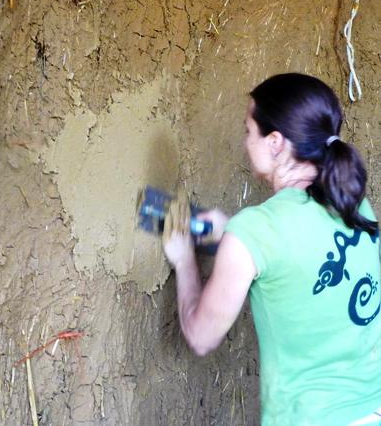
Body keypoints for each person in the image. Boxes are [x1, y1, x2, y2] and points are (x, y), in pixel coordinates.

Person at [162, 73, 381, 426]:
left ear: (276, 142)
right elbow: (298, 249)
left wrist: (185, 259)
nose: (246, 141)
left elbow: (201, 338)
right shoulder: (356, 205)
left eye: (249, 132)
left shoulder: (255, 232)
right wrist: (233, 236)